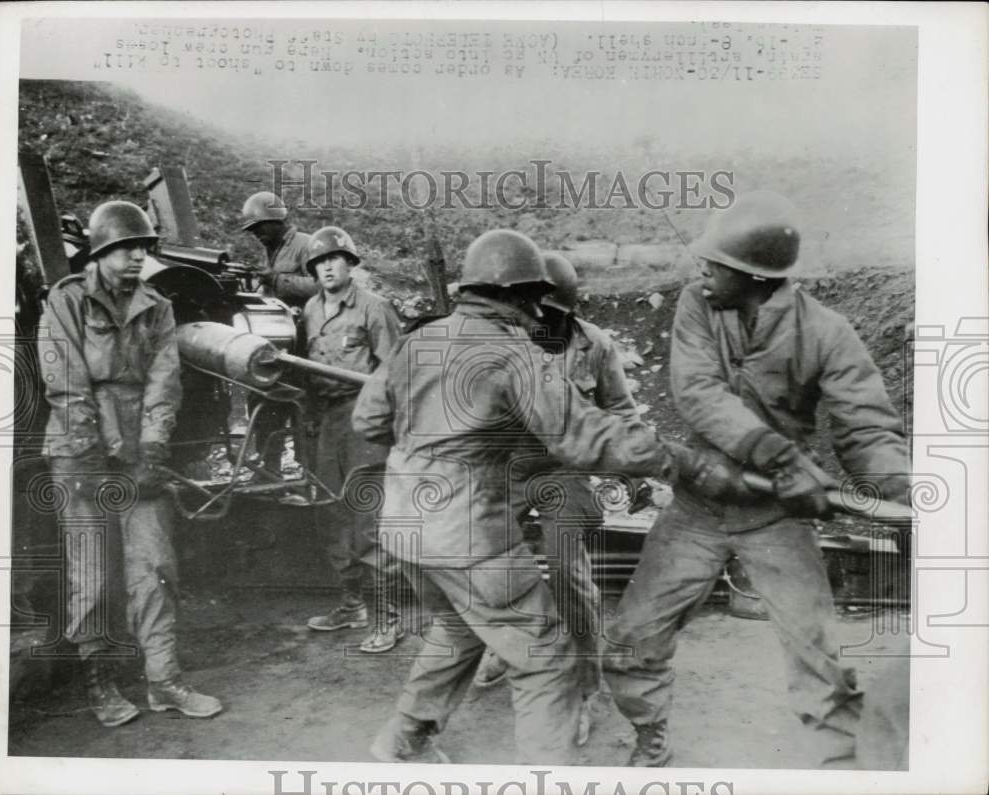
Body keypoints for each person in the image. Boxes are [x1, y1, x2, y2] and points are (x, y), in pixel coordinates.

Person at [353, 230, 691, 765]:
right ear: (515, 294)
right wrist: (678, 459)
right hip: (468, 528)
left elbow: (369, 422)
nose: (539, 309)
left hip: (403, 520)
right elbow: (586, 437)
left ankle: (402, 742)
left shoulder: (418, 340)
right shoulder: (515, 354)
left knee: (460, 626)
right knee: (547, 659)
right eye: (534, 296)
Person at [601, 191, 912, 768]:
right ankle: (649, 732)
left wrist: (902, 491)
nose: (702, 271)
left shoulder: (827, 331)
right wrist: (784, 460)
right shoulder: (697, 306)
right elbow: (698, 393)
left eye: (714, 264)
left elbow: (865, 426)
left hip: (774, 518)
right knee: (631, 640)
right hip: (698, 509)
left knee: (820, 666)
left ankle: (842, 772)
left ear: (752, 276)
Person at [37, 200, 222, 728]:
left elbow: (165, 384)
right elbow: (65, 384)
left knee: (155, 567)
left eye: (144, 247)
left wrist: (152, 451)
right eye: (127, 248)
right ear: (101, 252)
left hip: (139, 451)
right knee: (92, 574)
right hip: (80, 454)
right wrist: (95, 457)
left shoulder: (157, 306)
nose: (139, 256)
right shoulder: (67, 300)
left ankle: (164, 681)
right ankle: (100, 682)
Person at [472, 251, 641, 747]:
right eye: (532, 308)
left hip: (565, 469)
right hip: (508, 464)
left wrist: (630, 468)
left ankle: (584, 687)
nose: (539, 320)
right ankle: (507, 644)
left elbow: (622, 412)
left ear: (569, 310)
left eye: (552, 312)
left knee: (569, 570)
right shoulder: (500, 342)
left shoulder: (596, 346)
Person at [301, 226, 405, 653]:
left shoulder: (374, 309)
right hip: (328, 421)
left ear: (350, 264)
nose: (327, 266)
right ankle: (351, 604)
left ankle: (389, 618)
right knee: (331, 513)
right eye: (319, 262)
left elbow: (396, 374)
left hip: (365, 420)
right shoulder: (310, 310)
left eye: (335, 259)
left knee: (369, 521)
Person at [239, 191, 315, 474]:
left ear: (276, 221)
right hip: (273, 341)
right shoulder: (270, 248)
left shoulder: (306, 245)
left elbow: (319, 286)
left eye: (259, 227)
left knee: (301, 405)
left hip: (302, 342)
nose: (256, 234)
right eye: (253, 230)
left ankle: (309, 472)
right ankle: (268, 470)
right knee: (263, 399)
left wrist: (279, 280)